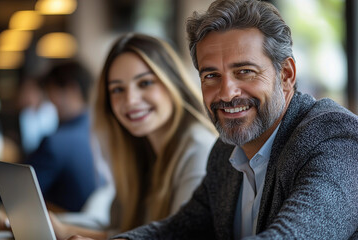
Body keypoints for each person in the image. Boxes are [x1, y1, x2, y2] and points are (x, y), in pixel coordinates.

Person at [89, 0, 356, 239]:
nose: (227, 93)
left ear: (286, 74)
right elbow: (181, 228)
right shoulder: (225, 151)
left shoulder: (334, 138)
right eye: (211, 76)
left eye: (245, 71)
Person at [50, 33, 217, 240]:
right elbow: (119, 227)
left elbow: (180, 237)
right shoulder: (138, 152)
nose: (130, 100)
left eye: (145, 83)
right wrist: (52, 224)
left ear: (173, 83)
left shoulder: (200, 150)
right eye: (118, 89)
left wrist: (66, 231)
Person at [23, 61, 104, 213]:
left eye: (50, 91)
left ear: (71, 89)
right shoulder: (102, 131)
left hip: (64, 228)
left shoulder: (56, 143)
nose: (49, 100)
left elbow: (18, 194)